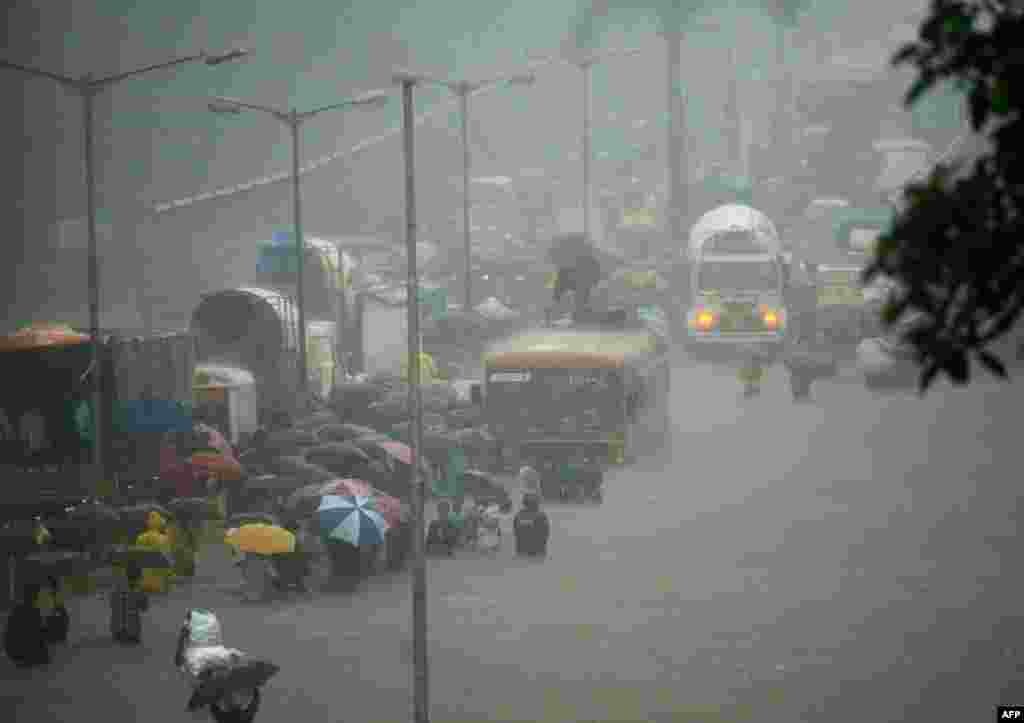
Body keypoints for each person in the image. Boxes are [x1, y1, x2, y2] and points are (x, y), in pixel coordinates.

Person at [3, 582, 51, 667]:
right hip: (25, 652)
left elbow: (8, 634)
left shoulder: (16, 609)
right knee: (45, 654)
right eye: (38, 594)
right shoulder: (34, 612)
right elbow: (38, 635)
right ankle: (29, 659)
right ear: (35, 596)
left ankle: (26, 658)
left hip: (13, 652)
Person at [110, 561, 149, 645]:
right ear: (138, 576)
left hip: (117, 632)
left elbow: (112, 604)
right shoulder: (139, 590)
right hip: (132, 634)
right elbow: (145, 608)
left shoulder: (117, 587)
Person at [513, 493, 550, 558]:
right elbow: (546, 534)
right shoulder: (541, 516)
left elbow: (516, 533)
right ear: (537, 504)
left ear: (524, 503)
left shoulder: (518, 516)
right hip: (539, 551)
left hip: (522, 551)